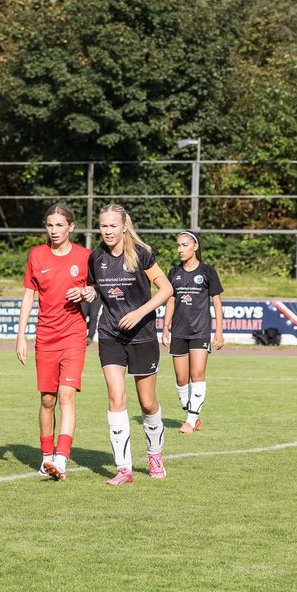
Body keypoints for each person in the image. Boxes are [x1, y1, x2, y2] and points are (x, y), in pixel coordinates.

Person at [81, 204, 174, 485]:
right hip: (110, 335)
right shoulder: (95, 257)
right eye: (103, 226)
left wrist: (140, 312)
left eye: (112, 226)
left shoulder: (140, 254)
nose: (107, 231)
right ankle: (124, 468)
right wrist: (89, 292)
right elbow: (95, 287)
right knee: (116, 397)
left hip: (142, 335)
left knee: (147, 403)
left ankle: (155, 455)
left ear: (124, 226)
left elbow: (167, 289)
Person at [15, 203, 91, 481]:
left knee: (67, 395)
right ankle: (46, 456)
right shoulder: (36, 255)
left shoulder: (85, 256)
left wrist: (87, 292)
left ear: (71, 227)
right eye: (50, 225)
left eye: (60, 225)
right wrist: (21, 336)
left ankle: (61, 458)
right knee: (48, 399)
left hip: (73, 335)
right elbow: (28, 296)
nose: (54, 230)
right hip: (45, 337)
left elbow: (98, 287)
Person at [160, 230, 224, 434]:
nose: (180, 249)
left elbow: (217, 302)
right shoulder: (173, 273)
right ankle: (192, 413)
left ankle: (191, 419)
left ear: (195, 246)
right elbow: (170, 300)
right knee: (181, 378)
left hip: (200, 331)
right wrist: (166, 327)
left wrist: (219, 332)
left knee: (197, 374)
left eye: (185, 245)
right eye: (178, 245)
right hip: (178, 331)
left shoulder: (207, 272)